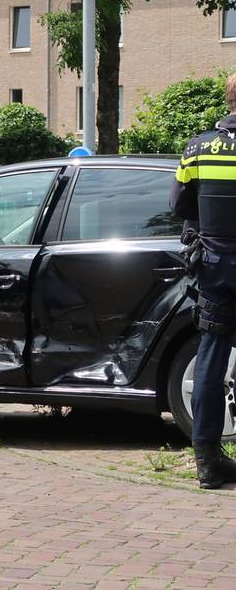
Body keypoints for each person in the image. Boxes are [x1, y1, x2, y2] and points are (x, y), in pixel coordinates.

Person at [171, 71, 236, 489]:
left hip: (214, 265)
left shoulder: (198, 147)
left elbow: (179, 205)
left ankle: (207, 462)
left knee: (211, 357)